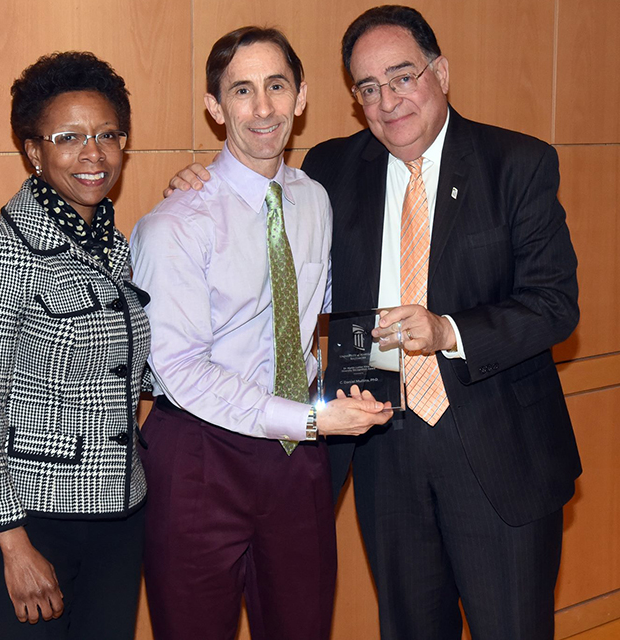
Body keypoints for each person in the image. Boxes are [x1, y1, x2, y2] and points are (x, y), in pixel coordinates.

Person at [166, 6, 582, 640]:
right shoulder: (331, 172)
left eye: (403, 76)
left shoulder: (516, 163)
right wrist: (196, 179)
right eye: (367, 87)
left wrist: (449, 331)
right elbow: (257, 197)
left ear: (440, 72)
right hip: (385, 449)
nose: (387, 101)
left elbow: (555, 305)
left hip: (498, 453)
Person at [130, 26, 391, 640]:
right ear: (215, 108)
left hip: (298, 463)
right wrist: (309, 420)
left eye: (276, 86)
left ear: (301, 97)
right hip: (198, 456)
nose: (263, 108)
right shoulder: (175, 225)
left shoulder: (313, 199)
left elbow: (321, 305)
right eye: (241, 91)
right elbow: (180, 368)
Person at [0, 51, 149, 640]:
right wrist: (13, 546)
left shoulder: (120, 251)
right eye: (70, 136)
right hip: (23, 528)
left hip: (116, 524)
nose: (94, 154)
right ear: (33, 150)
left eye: (108, 134)